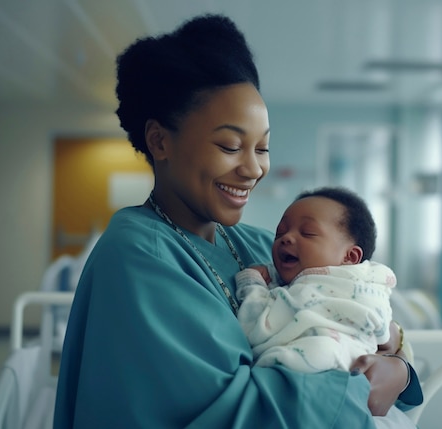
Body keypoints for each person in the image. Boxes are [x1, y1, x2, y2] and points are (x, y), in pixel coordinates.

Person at [53, 13, 422, 429]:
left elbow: (359, 315)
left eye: (262, 148)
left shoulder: (259, 243)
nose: (253, 169)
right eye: (230, 145)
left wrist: (399, 368)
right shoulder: (139, 254)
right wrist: (359, 388)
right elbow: (234, 412)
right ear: (160, 141)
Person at [235, 186, 397, 373]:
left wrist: (252, 283)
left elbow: (256, 328)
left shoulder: (313, 289)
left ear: (350, 257)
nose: (286, 238)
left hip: (324, 359)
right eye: (280, 232)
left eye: (308, 233)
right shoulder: (372, 281)